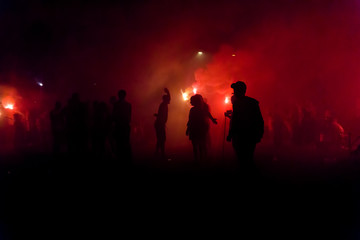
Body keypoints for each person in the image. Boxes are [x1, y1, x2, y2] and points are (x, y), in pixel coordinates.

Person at [226, 81, 264, 172]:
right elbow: (259, 119)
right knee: (249, 157)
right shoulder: (253, 102)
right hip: (251, 135)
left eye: (235, 90)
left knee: (242, 158)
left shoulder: (237, 103)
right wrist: (259, 133)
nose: (234, 92)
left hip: (240, 135)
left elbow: (236, 120)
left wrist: (230, 134)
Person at [186, 94, 217, 162]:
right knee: (200, 144)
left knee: (196, 145)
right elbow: (208, 114)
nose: (190, 102)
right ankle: (201, 159)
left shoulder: (193, 110)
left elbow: (190, 120)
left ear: (195, 101)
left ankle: (197, 159)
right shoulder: (201, 109)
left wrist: (188, 129)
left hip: (195, 129)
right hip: (200, 129)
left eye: (191, 101)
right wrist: (213, 120)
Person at [113, 89, 132, 164]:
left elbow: (114, 115)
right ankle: (125, 158)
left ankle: (123, 157)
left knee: (122, 142)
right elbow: (129, 116)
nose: (119, 96)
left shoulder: (118, 104)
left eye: (120, 95)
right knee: (122, 142)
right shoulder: (127, 105)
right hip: (123, 125)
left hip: (122, 126)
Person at [154, 88, 170, 159]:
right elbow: (161, 115)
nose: (169, 100)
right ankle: (162, 153)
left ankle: (157, 152)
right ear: (165, 100)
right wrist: (168, 92)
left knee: (160, 138)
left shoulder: (163, 105)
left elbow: (160, 115)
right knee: (162, 138)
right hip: (159, 124)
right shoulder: (163, 105)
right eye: (168, 99)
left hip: (159, 123)